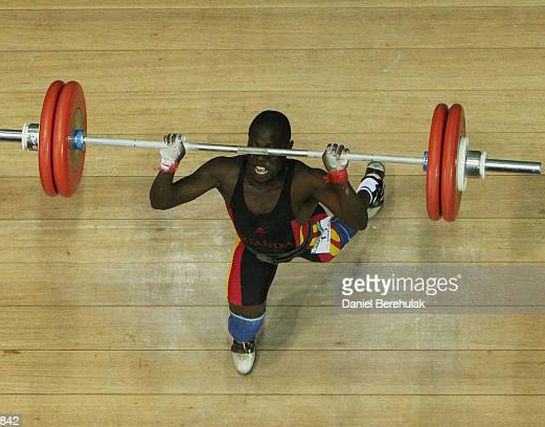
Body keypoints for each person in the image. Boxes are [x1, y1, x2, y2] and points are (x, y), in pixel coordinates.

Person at [150, 111, 385, 375]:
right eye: (254, 146)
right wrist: (168, 163)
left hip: (306, 240)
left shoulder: (304, 180)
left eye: (270, 150)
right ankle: (244, 340)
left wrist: (339, 176)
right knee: (242, 324)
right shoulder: (224, 172)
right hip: (255, 250)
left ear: (288, 149)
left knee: (346, 223)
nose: (261, 157)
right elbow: (162, 200)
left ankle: (370, 189)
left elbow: (359, 220)